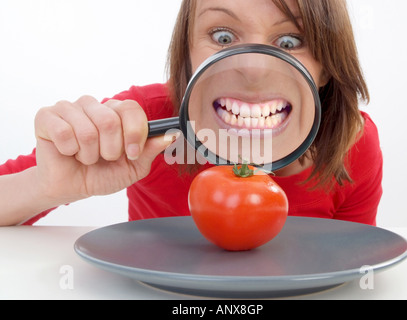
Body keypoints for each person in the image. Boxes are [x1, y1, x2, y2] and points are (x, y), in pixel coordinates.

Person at [0, 0, 382, 227]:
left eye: (289, 41)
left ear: (328, 66)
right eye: (223, 37)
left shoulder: (354, 143)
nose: (252, 68)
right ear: (187, 51)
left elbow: (352, 271)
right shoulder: (138, 124)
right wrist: (48, 188)